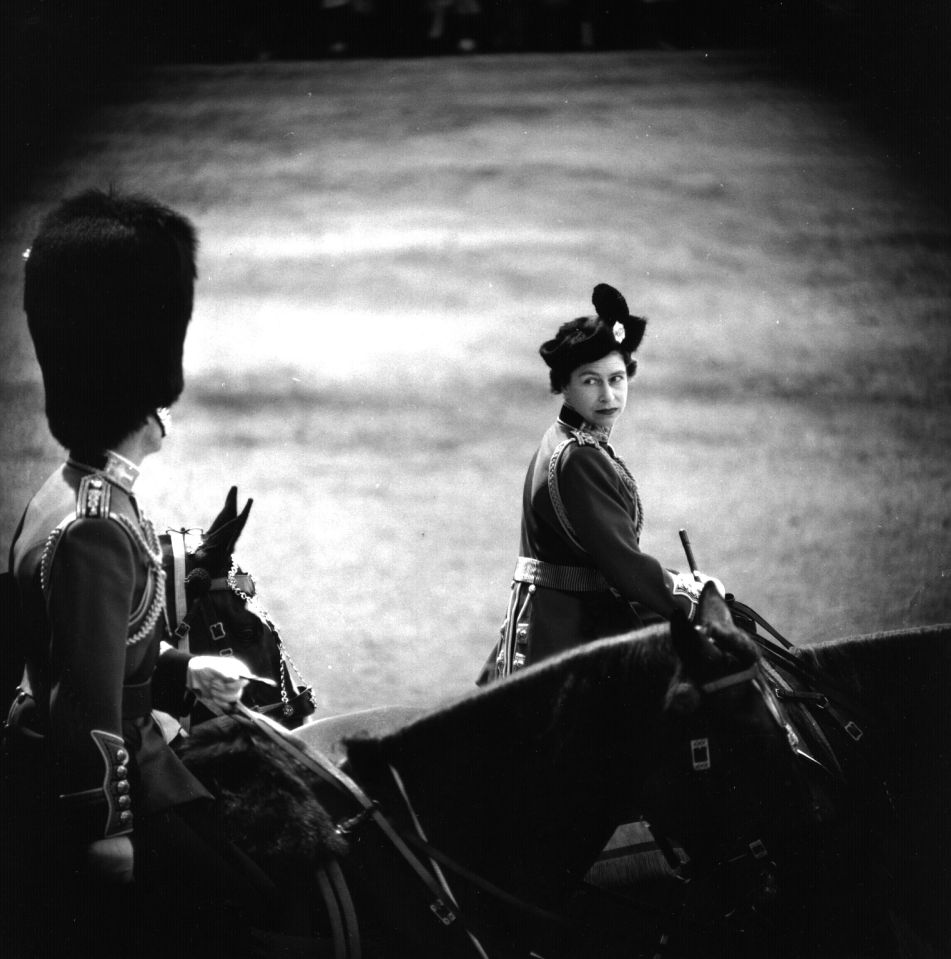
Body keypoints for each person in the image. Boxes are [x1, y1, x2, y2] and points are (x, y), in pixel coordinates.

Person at [2, 189, 279, 958]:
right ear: (141, 401)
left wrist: (188, 670)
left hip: (119, 742)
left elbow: (100, 651)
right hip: (102, 782)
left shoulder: (85, 494)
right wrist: (108, 829)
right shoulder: (96, 527)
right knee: (248, 898)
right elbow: (84, 701)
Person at [479, 282, 721, 682]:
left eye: (618, 378)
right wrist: (695, 598)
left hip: (552, 611)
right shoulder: (581, 458)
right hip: (570, 630)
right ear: (565, 386)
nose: (608, 395)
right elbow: (623, 564)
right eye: (591, 381)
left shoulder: (566, 437)